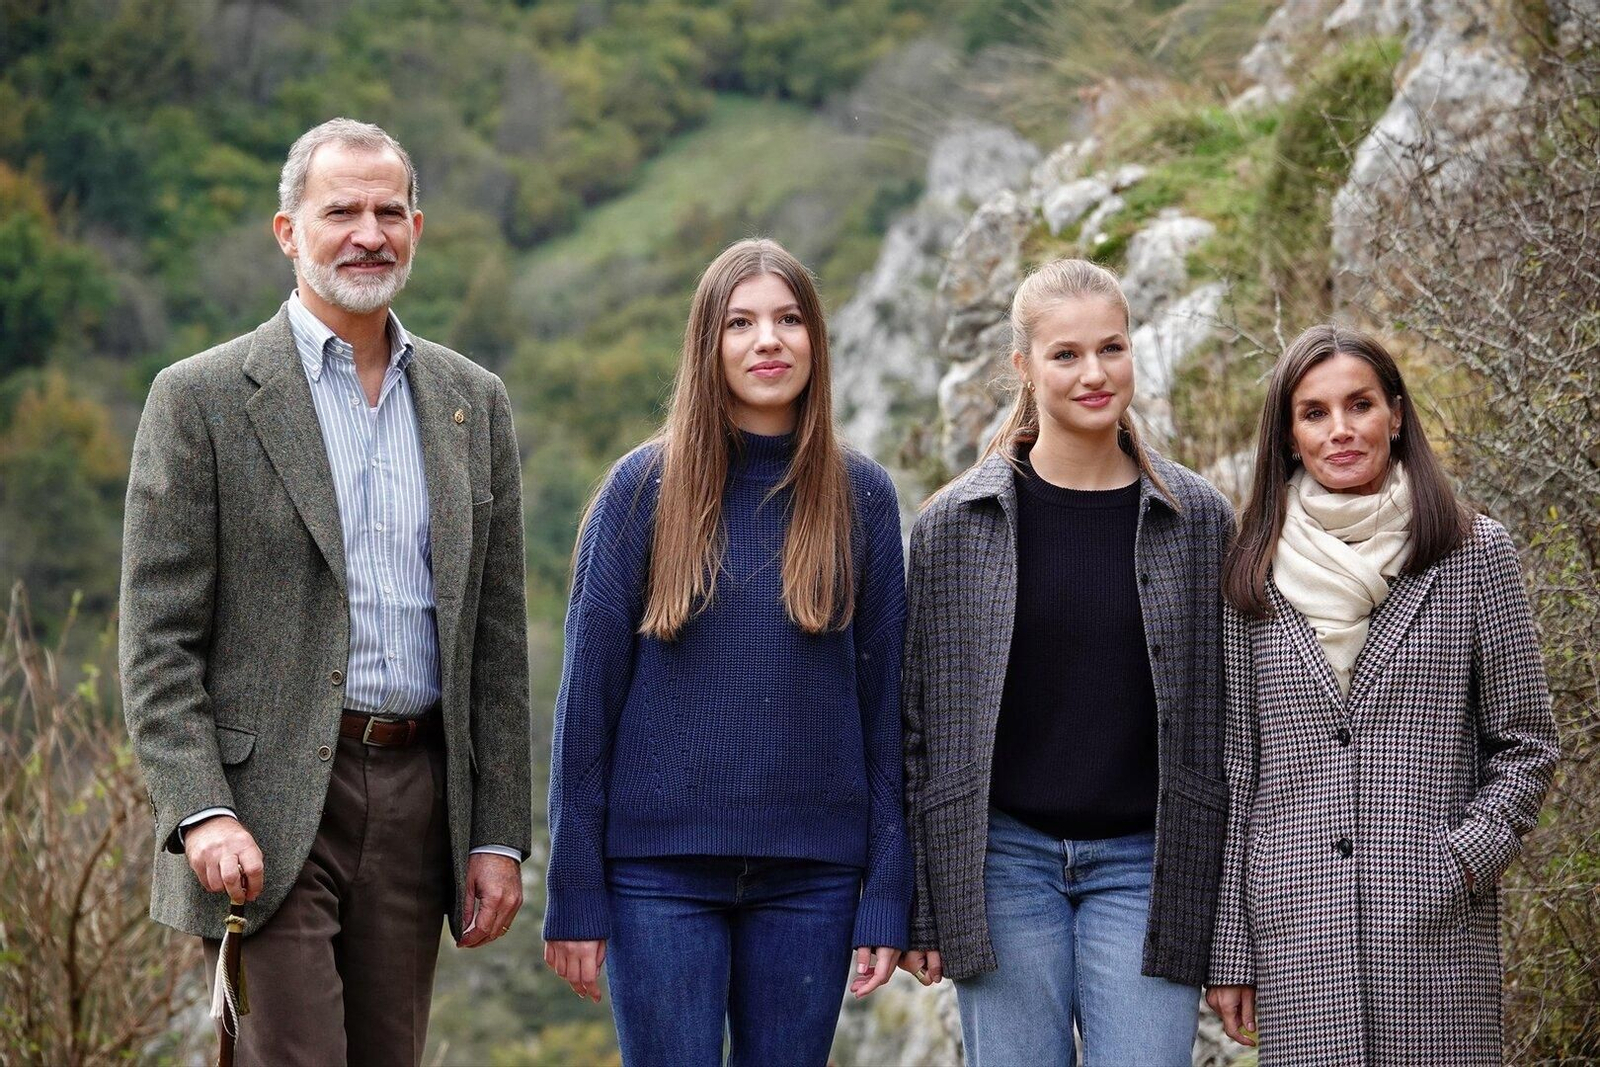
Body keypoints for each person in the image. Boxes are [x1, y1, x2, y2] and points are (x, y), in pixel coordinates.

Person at [120, 117, 531, 1066]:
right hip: (264, 807)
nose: (368, 231)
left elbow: (496, 642)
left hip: (421, 794)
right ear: (286, 231)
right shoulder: (201, 399)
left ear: (418, 229)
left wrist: (499, 833)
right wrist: (200, 807)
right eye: (340, 209)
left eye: (389, 210)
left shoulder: (475, 401)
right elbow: (156, 641)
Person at [541, 238, 910, 1065]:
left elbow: (889, 710)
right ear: (707, 344)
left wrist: (888, 890)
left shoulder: (864, 497)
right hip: (657, 879)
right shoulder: (641, 489)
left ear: (816, 338)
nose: (767, 340)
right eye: (740, 323)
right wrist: (574, 892)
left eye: (787, 320)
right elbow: (584, 708)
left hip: (813, 879)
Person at [898, 258, 1235, 1065]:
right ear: (1022, 366)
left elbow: (1235, 724)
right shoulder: (952, 525)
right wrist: (917, 907)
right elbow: (915, 728)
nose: (1094, 373)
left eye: (1111, 348)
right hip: (1004, 864)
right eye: (1066, 354)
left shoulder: (1201, 521)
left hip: (1149, 866)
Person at [1206, 325, 1560, 1064]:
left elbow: (1526, 742)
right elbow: (1239, 772)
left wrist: (1461, 860)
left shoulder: (1472, 552)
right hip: (1297, 934)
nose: (1340, 429)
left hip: (1434, 934)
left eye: (1359, 404)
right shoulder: (1250, 575)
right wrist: (1232, 950)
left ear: (1394, 414)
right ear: (1289, 435)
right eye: (1314, 412)